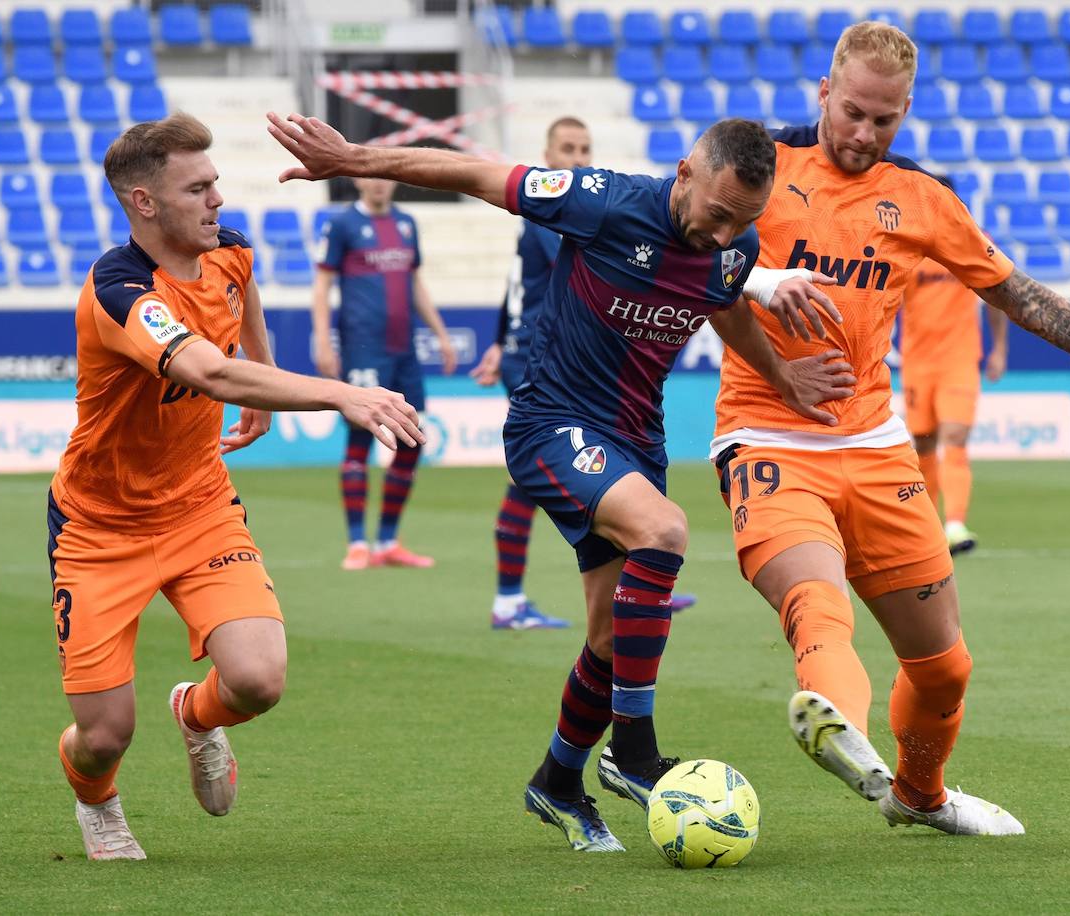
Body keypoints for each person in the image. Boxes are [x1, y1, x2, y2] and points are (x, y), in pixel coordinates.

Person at [268, 111, 853, 852]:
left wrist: (781, 375)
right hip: (553, 423)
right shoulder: (604, 201)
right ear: (684, 174)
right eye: (715, 214)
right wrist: (356, 157)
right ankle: (635, 754)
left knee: (613, 638)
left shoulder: (736, 244)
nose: (723, 234)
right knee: (665, 530)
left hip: (638, 441)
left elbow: (725, 301)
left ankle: (557, 780)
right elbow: (479, 176)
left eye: (742, 221)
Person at [711, 22, 1070, 837]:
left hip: (876, 446)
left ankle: (920, 796)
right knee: (817, 603)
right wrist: (767, 281)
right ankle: (833, 723)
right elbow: (676, 247)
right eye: (851, 112)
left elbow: (1022, 296)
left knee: (944, 666)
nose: (863, 133)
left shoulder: (920, 197)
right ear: (823, 91)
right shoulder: (760, 169)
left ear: (907, 110)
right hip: (768, 438)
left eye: (884, 120)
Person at [50, 112, 423, 861]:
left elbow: (242, 305)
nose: (217, 198)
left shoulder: (229, 250)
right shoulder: (121, 291)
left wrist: (259, 377)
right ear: (145, 203)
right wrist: (339, 392)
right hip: (99, 528)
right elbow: (204, 369)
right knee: (103, 736)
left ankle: (194, 714)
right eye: (197, 187)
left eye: (215, 181)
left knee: (257, 680)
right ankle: (98, 803)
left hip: (198, 506)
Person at [469, 116, 696, 629]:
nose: (577, 157)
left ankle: (636, 579)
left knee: (585, 471)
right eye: (567, 148)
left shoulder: (557, 216)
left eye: (585, 148)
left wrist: (494, 343)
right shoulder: (558, 219)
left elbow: (516, 288)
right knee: (537, 476)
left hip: (528, 351)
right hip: (542, 363)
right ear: (547, 156)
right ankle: (510, 599)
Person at [312, 175, 456, 571]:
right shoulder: (342, 225)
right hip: (363, 348)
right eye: (371, 178)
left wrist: (441, 334)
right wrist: (323, 341)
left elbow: (414, 283)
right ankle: (358, 543)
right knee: (361, 439)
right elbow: (322, 285)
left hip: (404, 349)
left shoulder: (406, 224)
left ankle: (389, 540)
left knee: (413, 438)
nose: (378, 185)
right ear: (358, 180)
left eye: (385, 179)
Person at [898, 183, 1009, 555]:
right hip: (917, 361)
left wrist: (999, 349)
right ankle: (926, 528)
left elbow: (995, 291)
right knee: (924, 442)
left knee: (956, 437)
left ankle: (956, 524)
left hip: (960, 359)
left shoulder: (971, 239)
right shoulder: (907, 244)